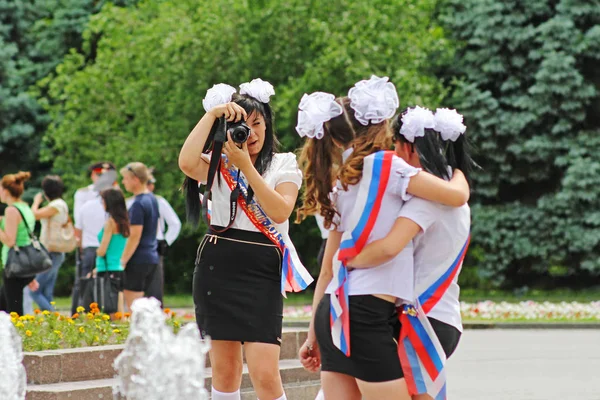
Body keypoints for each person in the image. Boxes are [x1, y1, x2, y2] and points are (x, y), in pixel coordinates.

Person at [294, 78, 469, 400]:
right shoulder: (389, 166)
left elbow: (328, 271)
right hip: (365, 311)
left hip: (333, 308)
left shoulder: (343, 181)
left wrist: (313, 336)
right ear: (378, 124)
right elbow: (455, 196)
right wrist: (459, 172)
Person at [179, 79, 313, 400]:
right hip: (217, 266)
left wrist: (246, 167)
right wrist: (212, 115)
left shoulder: (284, 164)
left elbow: (280, 211)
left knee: (265, 374)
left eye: (257, 124)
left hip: (262, 270)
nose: (251, 134)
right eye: (242, 125)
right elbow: (185, 161)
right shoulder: (218, 163)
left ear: (268, 126)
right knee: (224, 371)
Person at [346, 107, 474, 400]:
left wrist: (349, 260)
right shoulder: (451, 192)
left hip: (423, 317)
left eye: (395, 145)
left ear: (407, 147)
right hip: (441, 315)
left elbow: (390, 246)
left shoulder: (428, 200)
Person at [72, 169, 117, 314]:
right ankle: (107, 312)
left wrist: (81, 249)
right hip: (107, 248)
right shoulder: (113, 208)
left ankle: (81, 312)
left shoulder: (85, 206)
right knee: (107, 283)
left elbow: (78, 231)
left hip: (89, 249)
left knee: (85, 284)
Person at [24, 175, 69, 313]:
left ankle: (55, 318)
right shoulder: (59, 204)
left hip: (51, 252)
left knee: (34, 290)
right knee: (46, 291)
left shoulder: (57, 205)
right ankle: (53, 326)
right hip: (53, 252)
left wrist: (36, 202)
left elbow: (33, 216)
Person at [119, 162, 159, 311]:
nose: (123, 182)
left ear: (135, 179)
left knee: (133, 309)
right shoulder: (152, 199)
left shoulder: (138, 204)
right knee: (141, 306)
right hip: (150, 256)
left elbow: (134, 236)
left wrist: (122, 261)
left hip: (138, 258)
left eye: (125, 178)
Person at [0, 172, 39, 315]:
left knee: (14, 312)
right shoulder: (24, 208)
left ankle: (19, 336)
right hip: (23, 263)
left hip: (14, 265)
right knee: (4, 305)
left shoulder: (11, 210)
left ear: (5, 191)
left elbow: (10, 241)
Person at [143, 170, 181, 304]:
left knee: (155, 283)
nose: (149, 186)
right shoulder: (131, 201)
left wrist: (166, 241)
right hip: (136, 244)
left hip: (155, 243)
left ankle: (156, 314)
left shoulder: (159, 201)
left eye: (150, 183)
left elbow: (174, 223)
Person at [95, 187, 130, 319]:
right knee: (119, 306)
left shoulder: (110, 223)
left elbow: (103, 249)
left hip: (107, 269)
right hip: (118, 268)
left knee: (109, 309)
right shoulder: (124, 222)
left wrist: (97, 251)